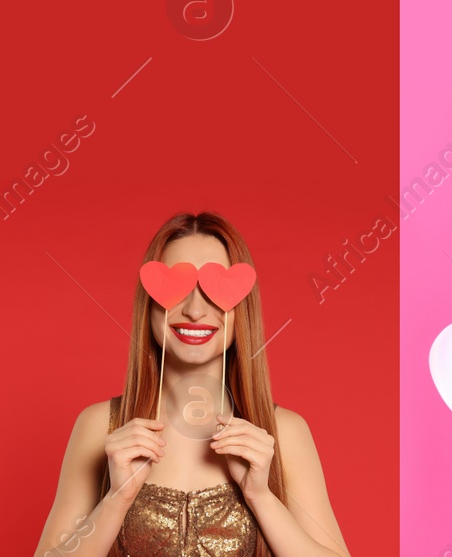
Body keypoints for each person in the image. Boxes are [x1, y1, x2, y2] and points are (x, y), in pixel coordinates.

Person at [34, 212, 349, 556]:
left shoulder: (283, 432)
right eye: (178, 287)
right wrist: (116, 500)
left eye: (215, 290)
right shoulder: (100, 426)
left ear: (241, 308)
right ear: (150, 305)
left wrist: (261, 497)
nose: (196, 311)